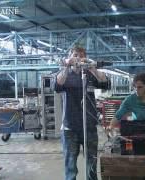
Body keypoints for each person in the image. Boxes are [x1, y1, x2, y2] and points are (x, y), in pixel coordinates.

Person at [55, 46, 110, 180]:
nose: (78, 58)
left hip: (89, 126)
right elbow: (58, 84)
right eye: (75, 55)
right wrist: (68, 65)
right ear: (70, 56)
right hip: (70, 127)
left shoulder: (90, 75)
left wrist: (91, 66)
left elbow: (105, 82)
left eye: (81, 55)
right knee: (70, 165)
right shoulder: (65, 74)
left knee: (91, 163)